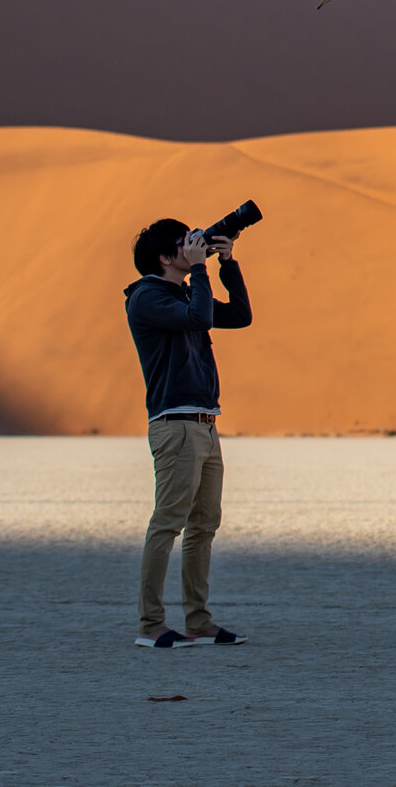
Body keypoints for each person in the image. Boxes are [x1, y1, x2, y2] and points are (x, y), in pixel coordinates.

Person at [125, 215, 255, 648]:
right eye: (185, 243)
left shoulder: (181, 293)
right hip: (176, 425)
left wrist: (226, 263)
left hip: (204, 423)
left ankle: (198, 620)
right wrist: (200, 270)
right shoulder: (146, 297)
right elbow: (199, 318)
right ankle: (151, 625)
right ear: (164, 257)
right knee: (168, 524)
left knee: (204, 526)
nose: (193, 245)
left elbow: (238, 316)